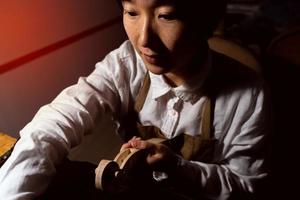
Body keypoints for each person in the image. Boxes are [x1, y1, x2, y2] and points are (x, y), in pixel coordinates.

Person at [0, 0, 270, 199]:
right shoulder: (126, 63)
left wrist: (177, 167)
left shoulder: (248, 93)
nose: (144, 39)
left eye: (166, 16)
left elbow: (246, 185)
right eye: (131, 12)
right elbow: (55, 123)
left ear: (205, 20)